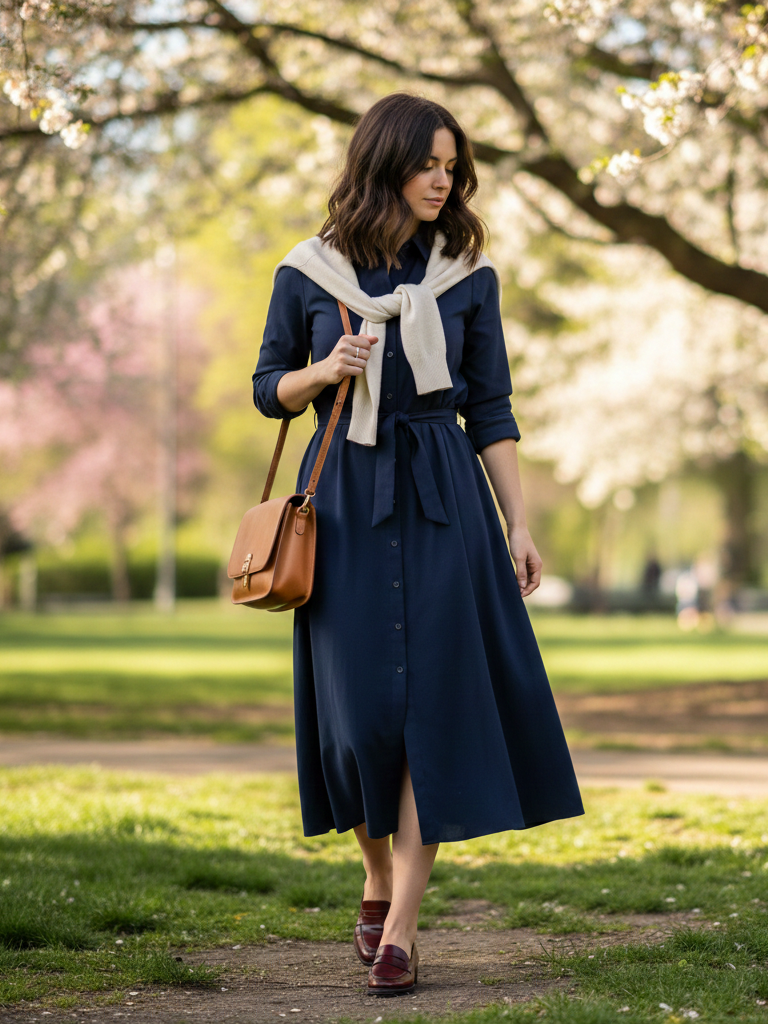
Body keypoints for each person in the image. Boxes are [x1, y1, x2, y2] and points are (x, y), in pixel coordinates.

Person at [252, 92, 584, 997]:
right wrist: (324, 371)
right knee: (357, 719)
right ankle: (374, 873)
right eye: (428, 162)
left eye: (452, 165)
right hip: (346, 500)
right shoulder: (310, 273)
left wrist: (518, 521)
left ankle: (401, 927)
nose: (444, 179)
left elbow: (494, 407)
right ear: (385, 162)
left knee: (433, 705)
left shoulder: (467, 274)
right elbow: (266, 386)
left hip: (446, 498)